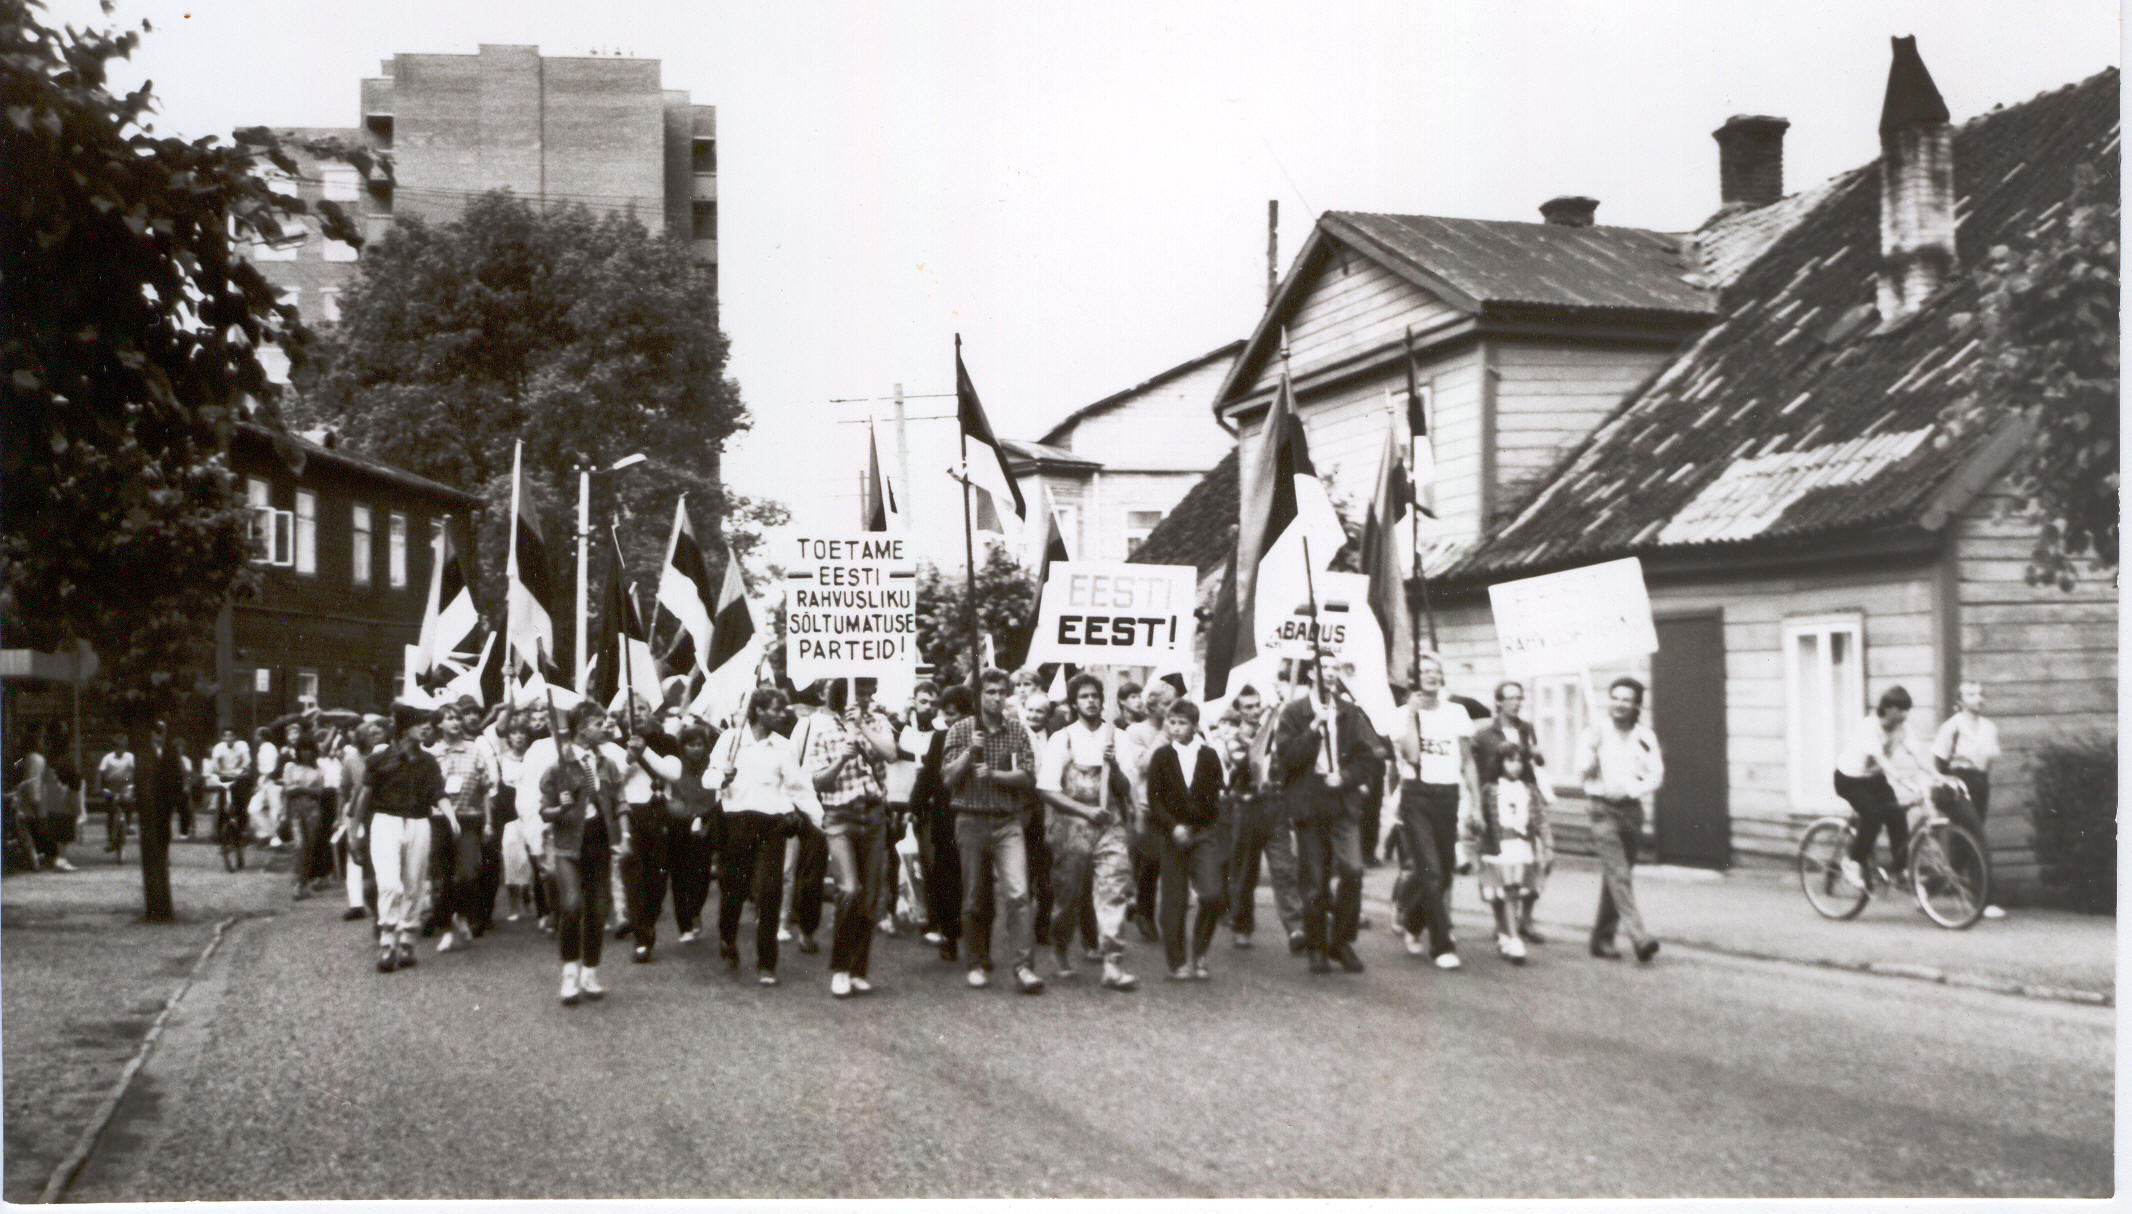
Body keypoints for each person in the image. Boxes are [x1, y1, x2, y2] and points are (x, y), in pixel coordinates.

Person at [708, 689, 822, 986]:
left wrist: (821, 820)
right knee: (734, 888)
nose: (782, 714)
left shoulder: (783, 748)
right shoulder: (730, 741)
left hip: (771, 825)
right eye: (775, 708)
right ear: (757, 711)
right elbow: (708, 777)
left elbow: (800, 788)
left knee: (770, 891)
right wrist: (723, 776)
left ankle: (766, 962)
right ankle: (727, 938)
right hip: (735, 823)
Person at [943, 668, 1044, 994]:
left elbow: (1028, 776)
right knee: (974, 895)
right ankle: (976, 961)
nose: (997, 698)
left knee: (1018, 893)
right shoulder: (960, 730)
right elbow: (948, 778)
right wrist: (970, 753)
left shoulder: (1017, 730)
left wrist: (996, 776)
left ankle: (1024, 967)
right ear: (979, 696)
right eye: (990, 692)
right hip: (971, 821)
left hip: (1006, 823)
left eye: (1002, 692)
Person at [1035, 673, 1137, 990]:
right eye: (1084, 696)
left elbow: (1125, 787)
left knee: (1113, 889)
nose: (1091, 700)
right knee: (1068, 895)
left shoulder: (1119, 737)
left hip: (1110, 822)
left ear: (1103, 701)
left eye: (1095, 695)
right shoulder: (1061, 738)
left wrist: (1114, 765)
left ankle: (1112, 962)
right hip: (1072, 824)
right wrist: (1084, 810)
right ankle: (1062, 949)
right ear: (1074, 702)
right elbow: (1047, 790)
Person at [1272, 667, 1374, 974]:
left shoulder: (1349, 712)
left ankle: (1340, 941)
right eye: (1323, 668)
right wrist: (1314, 726)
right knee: (1314, 880)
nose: (1329, 674)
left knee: (1353, 870)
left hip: (1341, 800)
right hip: (1309, 802)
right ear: (1311, 673)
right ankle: (1316, 945)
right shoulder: (1294, 712)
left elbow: (1367, 757)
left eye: (1334, 668)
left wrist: (1344, 776)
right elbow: (1287, 757)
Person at [800, 679, 896, 998]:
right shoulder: (820, 726)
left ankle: (858, 968)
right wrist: (842, 758)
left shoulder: (878, 720)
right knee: (849, 889)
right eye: (861, 691)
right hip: (839, 815)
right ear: (842, 693)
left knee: (869, 895)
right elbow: (818, 781)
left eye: (870, 691)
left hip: (873, 812)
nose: (867, 697)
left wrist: (862, 728)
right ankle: (840, 967)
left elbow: (891, 753)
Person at [1391, 653, 1480, 969]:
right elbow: (1411, 755)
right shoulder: (1402, 714)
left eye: (1436, 670)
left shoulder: (1457, 713)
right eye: (1424, 671)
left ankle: (1413, 921)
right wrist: (1413, 716)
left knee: (1442, 873)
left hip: (1448, 795)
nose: (1431, 675)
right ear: (1413, 677)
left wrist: (1477, 806)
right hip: (1417, 796)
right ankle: (1442, 944)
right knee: (1431, 869)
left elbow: (1468, 762)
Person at [541, 702, 632, 1005]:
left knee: (598, 908)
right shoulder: (558, 767)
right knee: (571, 905)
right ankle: (569, 972)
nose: (605, 727)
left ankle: (590, 972)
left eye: (605, 721)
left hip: (599, 841)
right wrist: (561, 807)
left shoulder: (608, 764)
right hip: (568, 844)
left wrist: (626, 834)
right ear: (580, 728)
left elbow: (620, 801)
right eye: (598, 723)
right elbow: (545, 812)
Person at [1577, 677, 1663, 964]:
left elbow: (1655, 774)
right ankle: (1640, 937)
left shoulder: (1644, 737)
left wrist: (1631, 789)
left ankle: (1601, 939)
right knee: (1619, 874)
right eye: (1615, 697)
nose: (1619, 704)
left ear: (1636, 704)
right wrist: (1591, 751)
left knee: (1616, 876)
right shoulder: (1595, 732)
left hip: (1631, 811)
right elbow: (1581, 773)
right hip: (1601, 809)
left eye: (1626, 699)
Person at [355, 705, 444, 974]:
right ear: (405, 728)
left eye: (428, 723)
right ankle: (387, 940)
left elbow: (437, 794)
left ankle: (407, 940)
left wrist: (450, 816)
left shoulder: (428, 761)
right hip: (386, 821)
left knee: (414, 883)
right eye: (421, 723)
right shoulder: (381, 757)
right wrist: (354, 829)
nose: (427, 728)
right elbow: (363, 798)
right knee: (390, 884)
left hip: (418, 822)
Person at [1833, 685, 1947, 894]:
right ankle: (1852, 863)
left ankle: (1901, 870)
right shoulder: (1869, 727)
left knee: (1897, 816)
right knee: (1873, 815)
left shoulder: (1902, 729)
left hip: (1874, 779)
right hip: (1849, 779)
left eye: (1907, 710)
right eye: (1900, 709)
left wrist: (1937, 776)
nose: (1904, 715)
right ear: (1886, 708)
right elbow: (1880, 759)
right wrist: (1898, 775)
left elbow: (1918, 756)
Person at [1468, 681, 1557, 941]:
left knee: (1537, 863)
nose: (1516, 703)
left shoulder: (1526, 730)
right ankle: (1503, 923)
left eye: (1520, 698)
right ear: (1498, 702)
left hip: (1526, 799)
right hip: (1496, 804)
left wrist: (1539, 756)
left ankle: (1525, 918)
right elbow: (1471, 766)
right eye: (1510, 698)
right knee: (1500, 867)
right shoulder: (1484, 735)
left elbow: (1535, 764)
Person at [1147, 698, 1229, 980]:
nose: (1175, 728)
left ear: (1195, 726)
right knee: (1175, 899)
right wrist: (1173, 826)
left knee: (1212, 893)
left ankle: (1201, 950)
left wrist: (1202, 824)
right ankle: (1177, 960)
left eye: (1182, 723)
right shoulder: (1161, 757)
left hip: (1203, 832)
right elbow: (1154, 800)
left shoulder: (1209, 756)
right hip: (1172, 835)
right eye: (1172, 722)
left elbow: (1217, 794)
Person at [1224, 684, 1302, 952]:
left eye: (1257, 705)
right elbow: (1245, 763)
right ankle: (1242, 925)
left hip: (1274, 807)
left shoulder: (1276, 734)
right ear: (1238, 710)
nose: (1254, 711)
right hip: (1247, 809)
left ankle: (1295, 927)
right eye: (1247, 707)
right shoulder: (1233, 738)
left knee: (1284, 867)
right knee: (1245, 871)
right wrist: (1266, 726)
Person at [609, 713, 683, 963]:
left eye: (643, 708)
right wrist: (630, 756)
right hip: (629, 812)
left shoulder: (667, 742)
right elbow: (612, 777)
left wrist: (646, 752)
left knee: (658, 875)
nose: (637, 713)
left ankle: (649, 919)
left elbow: (673, 772)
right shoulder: (617, 744)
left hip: (658, 811)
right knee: (633, 873)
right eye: (634, 708)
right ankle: (641, 936)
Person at [1934, 680, 2004, 919]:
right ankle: (1985, 900)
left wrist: (1979, 782)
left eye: (1980, 694)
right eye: (1972, 694)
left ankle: (1929, 888)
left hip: (1979, 783)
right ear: (1960, 700)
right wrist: (1949, 783)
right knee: (1976, 835)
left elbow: (1988, 761)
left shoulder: (1989, 728)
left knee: (1964, 844)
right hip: (1956, 783)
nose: (1978, 698)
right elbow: (1940, 761)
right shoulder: (1952, 727)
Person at [431, 706, 494, 952]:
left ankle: (462, 914)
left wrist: (488, 822)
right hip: (440, 820)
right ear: (439, 724)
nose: (455, 722)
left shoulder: (475, 752)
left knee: (468, 872)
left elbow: (486, 790)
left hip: (468, 818)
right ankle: (446, 927)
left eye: (458, 718)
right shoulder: (433, 754)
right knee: (443, 876)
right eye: (449, 718)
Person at [1478, 743, 1548, 963]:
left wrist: (1548, 844)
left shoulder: (1529, 789)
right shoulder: (1490, 789)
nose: (1515, 766)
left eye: (1519, 761)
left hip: (1521, 846)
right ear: (1500, 763)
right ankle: (1506, 934)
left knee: (1513, 891)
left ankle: (1513, 937)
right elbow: (1480, 819)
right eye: (1510, 760)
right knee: (1499, 894)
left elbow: (1541, 819)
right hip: (1497, 846)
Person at [915, 684, 969, 962]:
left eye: (954, 714)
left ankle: (971, 935)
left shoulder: (980, 739)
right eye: (947, 715)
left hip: (972, 817)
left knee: (971, 880)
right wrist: (916, 805)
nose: (950, 721)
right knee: (946, 878)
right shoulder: (940, 738)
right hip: (945, 820)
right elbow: (927, 776)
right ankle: (949, 934)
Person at [663, 724, 721, 944]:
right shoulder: (676, 767)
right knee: (680, 875)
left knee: (702, 873)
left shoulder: (711, 767)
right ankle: (684, 923)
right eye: (691, 745)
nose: (696, 749)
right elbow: (671, 796)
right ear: (683, 746)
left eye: (699, 744)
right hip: (680, 823)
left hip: (705, 822)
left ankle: (695, 910)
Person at [281, 735, 329, 901]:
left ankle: (304, 883)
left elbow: (320, 792)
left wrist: (300, 788)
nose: (305, 753)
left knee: (309, 848)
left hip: (313, 811)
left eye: (309, 750)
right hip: (295, 811)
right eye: (302, 750)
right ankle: (297, 883)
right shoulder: (290, 767)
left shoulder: (318, 770)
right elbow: (287, 791)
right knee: (299, 846)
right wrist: (284, 814)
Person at [95, 733, 136, 858]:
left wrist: (134, 785)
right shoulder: (108, 758)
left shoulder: (130, 757)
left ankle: (128, 825)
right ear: (114, 747)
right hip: (112, 785)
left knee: (128, 802)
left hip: (126, 785)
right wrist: (100, 788)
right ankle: (110, 839)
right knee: (111, 811)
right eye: (118, 747)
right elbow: (99, 772)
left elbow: (135, 771)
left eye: (122, 747)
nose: (120, 749)